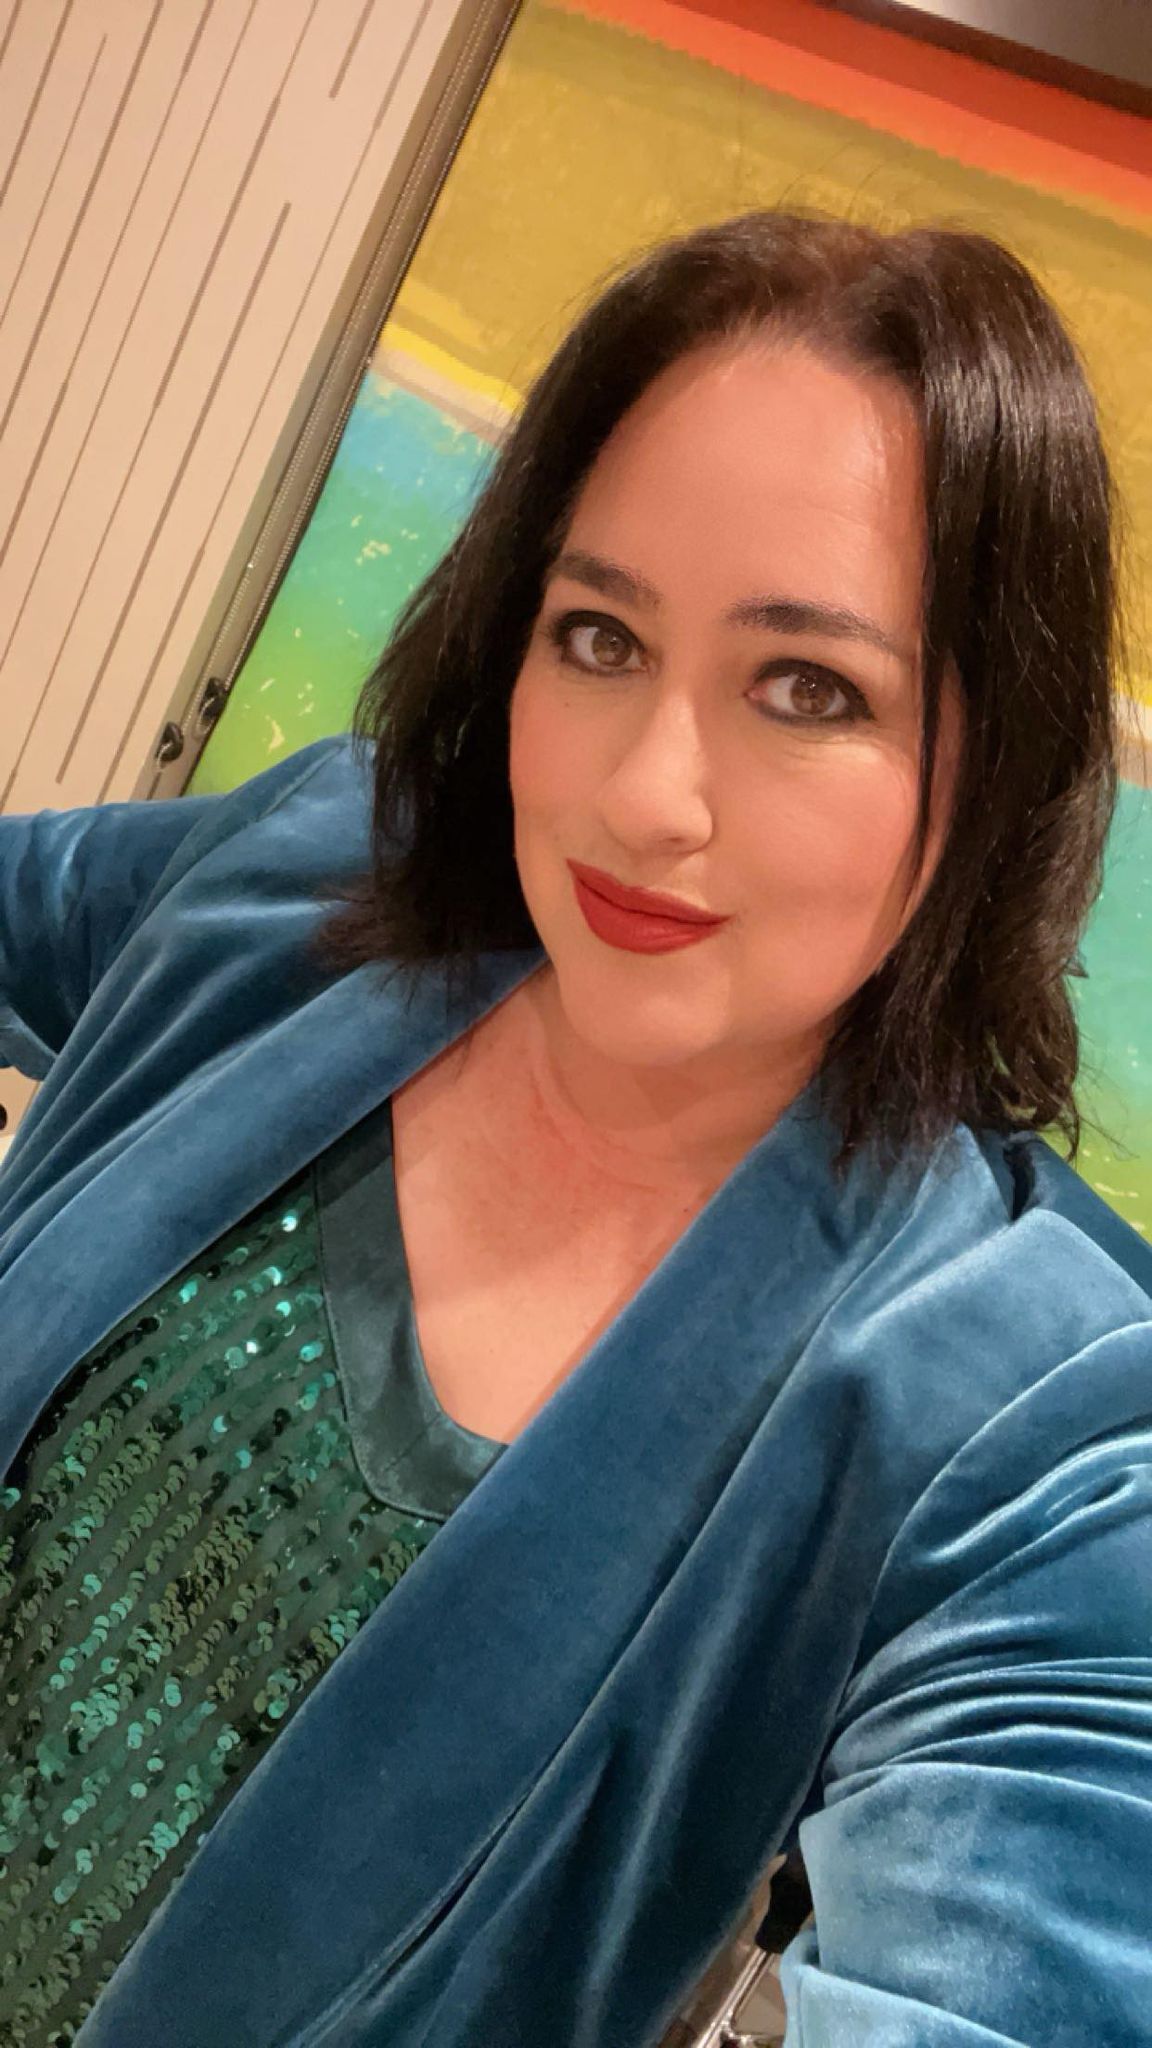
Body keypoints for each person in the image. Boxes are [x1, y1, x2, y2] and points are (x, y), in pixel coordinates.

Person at [0, 207, 1150, 2048]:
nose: (646, 795)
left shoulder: (1033, 1406)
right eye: (599, 635)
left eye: (808, 689)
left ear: (989, 766)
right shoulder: (311, 887)